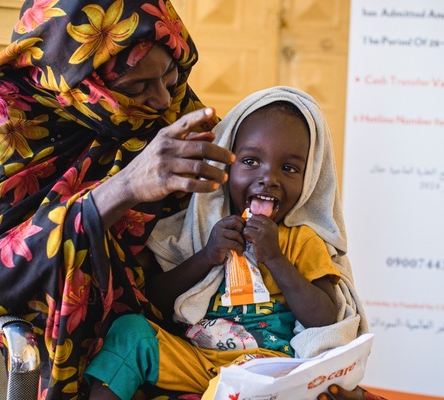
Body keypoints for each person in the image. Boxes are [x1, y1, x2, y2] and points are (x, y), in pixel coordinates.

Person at [0, 0, 374, 398]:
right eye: (138, 85)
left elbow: (236, 187)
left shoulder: (168, 110)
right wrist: (126, 186)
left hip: (205, 347)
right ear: (83, 80)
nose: (163, 101)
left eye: (171, 76)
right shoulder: (4, 117)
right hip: (92, 349)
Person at [84, 87, 372, 399]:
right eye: (250, 161)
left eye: (289, 168)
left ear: (310, 179)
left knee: (236, 388)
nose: (268, 178)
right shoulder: (201, 229)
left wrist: (275, 258)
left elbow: (326, 319)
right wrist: (206, 256)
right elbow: (154, 302)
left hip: (265, 366)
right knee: (130, 332)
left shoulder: (302, 241)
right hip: (195, 359)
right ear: (226, 167)